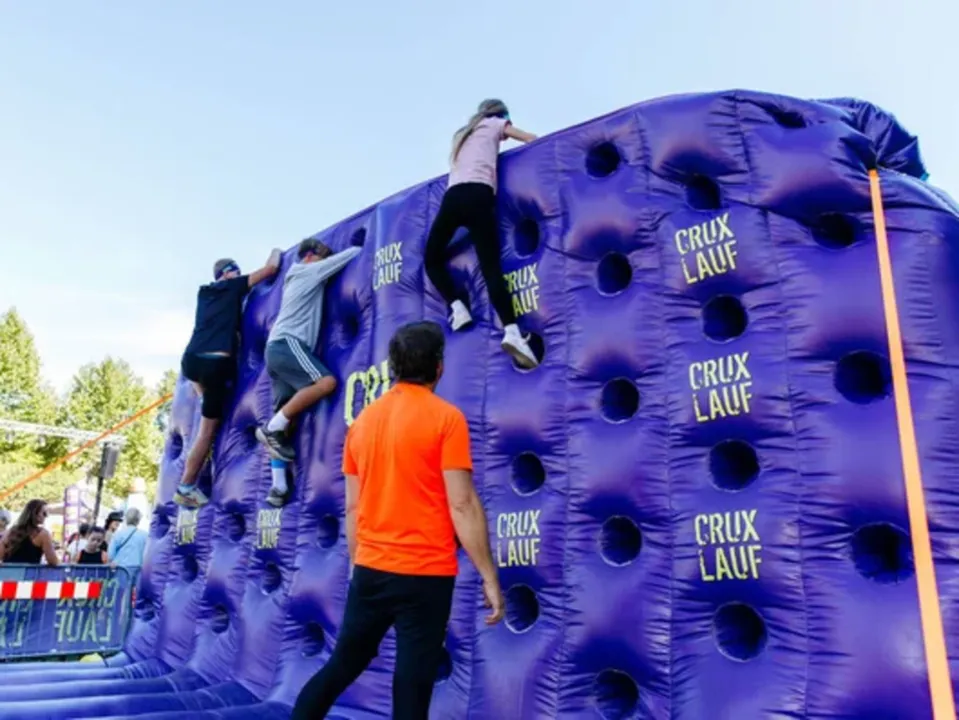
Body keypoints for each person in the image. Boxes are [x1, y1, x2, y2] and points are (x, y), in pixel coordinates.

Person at [291, 321, 504, 720]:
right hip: (426, 576)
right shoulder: (447, 419)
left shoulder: (362, 424)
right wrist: (489, 577)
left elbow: (352, 509)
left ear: (393, 367)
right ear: (439, 367)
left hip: (372, 570)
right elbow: (462, 504)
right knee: (412, 685)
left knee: (340, 667)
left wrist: (359, 564)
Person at [423, 98, 539, 369]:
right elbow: (529, 139)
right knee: (491, 269)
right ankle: (512, 331)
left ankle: (457, 306)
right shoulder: (495, 123)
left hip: (453, 197)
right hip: (479, 194)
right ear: (500, 114)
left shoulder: (462, 136)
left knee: (431, 258)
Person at [255, 238, 361, 507]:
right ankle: (271, 428)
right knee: (326, 382)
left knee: (286, 414)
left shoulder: (295, 276)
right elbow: (350, 255)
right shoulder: (307, 270)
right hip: (289, 344)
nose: (324, 260)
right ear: (311, 256)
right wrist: (362, 244)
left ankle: (278, 487)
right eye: (322, 256)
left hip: (276, 350)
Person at [175, 249, 283, 507]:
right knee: (207, 432)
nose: (239, 274)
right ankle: (186, 486)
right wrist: (278, 251)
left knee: (207, 407)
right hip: (216, 363)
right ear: (226, 274)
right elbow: (271, 268)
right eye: (236, 270)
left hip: (191, 362)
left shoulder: (204, 294)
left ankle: (204, 400)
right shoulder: (232, 286)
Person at [0, 499, 59, 566]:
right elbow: (53, 561)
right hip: (29, 572)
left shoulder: (10, 532)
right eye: (44, 513)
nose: (47, 516)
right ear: (35, 514)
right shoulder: (43, 534)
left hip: (8, 572)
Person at [108, 507, 148, 572]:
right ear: (138, 520)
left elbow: (110, 555)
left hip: (120, 569)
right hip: (138, 570)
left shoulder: (118, 534)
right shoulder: (145, 535)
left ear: (126, 519)